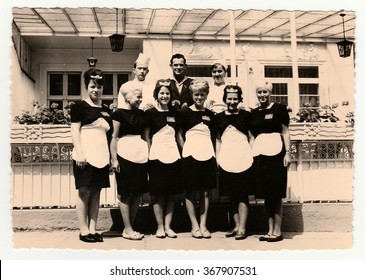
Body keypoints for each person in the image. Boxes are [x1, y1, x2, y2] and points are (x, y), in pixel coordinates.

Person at [70, 68, 112, 243]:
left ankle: (94, 229)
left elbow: (108, 136)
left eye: (99, 87)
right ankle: (84, 230)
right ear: (87, 86)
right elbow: (75, 131)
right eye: (93, 86)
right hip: (85, 156)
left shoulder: (106, 109)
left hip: (101, 156)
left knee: (96, 193)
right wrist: (79, 152)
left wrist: (109, 158)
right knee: (85, 192)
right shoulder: (79, 107)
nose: (96, 90)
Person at [250, 80, 291, 242]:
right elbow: (252, 136)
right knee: (266, 194)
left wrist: (287, 153)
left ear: (270, 93)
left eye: (265, 92)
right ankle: (269, 230)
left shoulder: (279, 109)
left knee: (276, 192)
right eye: (259, 92)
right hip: (260, 153)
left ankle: (278, 231)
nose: (262, 95)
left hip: (276, 153)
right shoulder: (254, 112)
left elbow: (286, 131)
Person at [177, 78, 217, 239]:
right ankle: (194, 226)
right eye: (196, 95)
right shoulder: (185, 112)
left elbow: (214, 136)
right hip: (190, 155)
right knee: (191, 191)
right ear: (192, 95)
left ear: (206, 95)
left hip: (207, 154)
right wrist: (185, 149)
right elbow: (179, 134)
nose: (199, 98)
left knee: (205, 192)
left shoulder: (210, 114)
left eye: (201, 94)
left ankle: (203, 225)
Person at [144, 79, 182, 238]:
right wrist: (147, 155)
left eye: (167, 93)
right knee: (158, 194)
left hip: (173, 155)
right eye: (162, 93)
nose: (165, 96)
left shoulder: (175, 113)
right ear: (156, 95)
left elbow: (179, 135)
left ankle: (168, 227)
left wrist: (183, 153)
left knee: (171, 194)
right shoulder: (150, 113)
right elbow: (146, 136)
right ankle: (159, 227)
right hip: (156, 156)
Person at [110, 81, 149, 241]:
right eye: (138, 97)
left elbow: (146, 137)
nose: (141, 100)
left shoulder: (143, 114)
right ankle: (127, 228)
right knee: (126, 193)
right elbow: (113, 137)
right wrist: (114, 159)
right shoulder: (118, 114)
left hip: (140, 153)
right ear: (128, 97)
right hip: (124, 154)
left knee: (138, 193)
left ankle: (129, 228)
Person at [215, 85, 254, 240]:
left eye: (235, 99)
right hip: (226, 158)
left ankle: (243, 228)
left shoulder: (246, 115)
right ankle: (235, 226)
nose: (232, 102)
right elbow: (218, 139)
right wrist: (218, 159)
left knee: (242, 194)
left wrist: (250, 155)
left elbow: (251, 137)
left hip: (243, 158)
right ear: (225, 99)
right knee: (231, 195)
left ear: (239, 99)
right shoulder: (218, 117)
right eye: (229, 98)